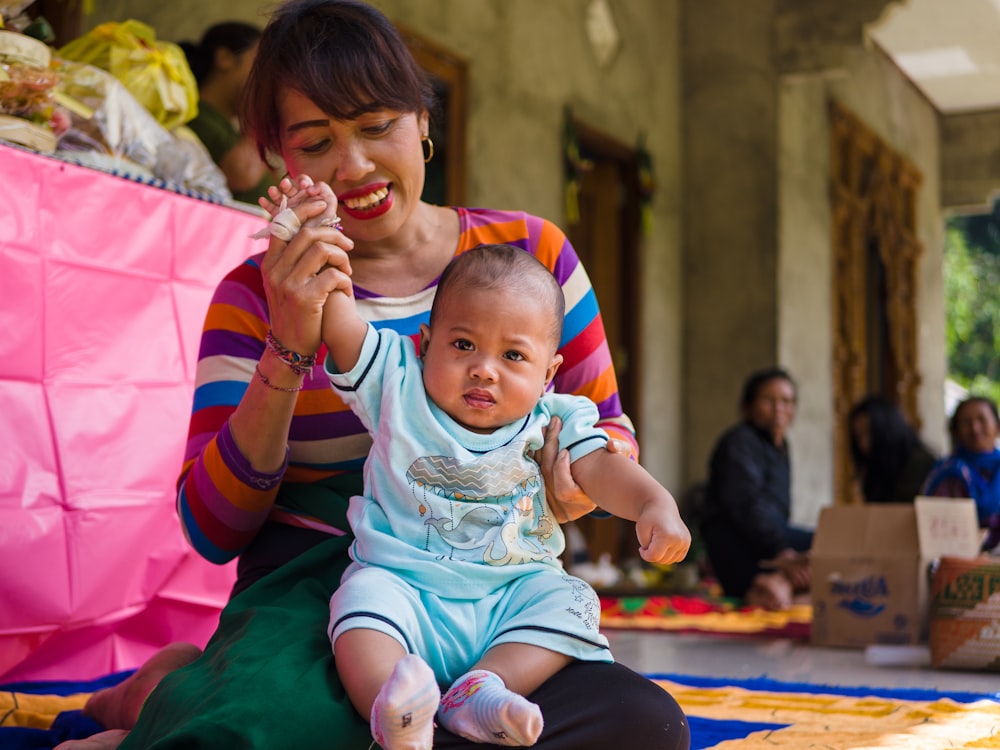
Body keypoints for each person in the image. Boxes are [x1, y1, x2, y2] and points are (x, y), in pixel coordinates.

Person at [54, 2, 691, 749]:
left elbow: (601, 429)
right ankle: (184, 694)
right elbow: (214, 528)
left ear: (423, 120)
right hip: (327, 578)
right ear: (278, 159)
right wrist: (288, 348)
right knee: (274, 728)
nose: (352, 167)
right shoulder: (253, 295)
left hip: (493, 581)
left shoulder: (529, 254)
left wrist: (565, 480)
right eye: (317, 141)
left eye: (377, 125)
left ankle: (199, 701)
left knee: (643, 727)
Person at [303, 236, 689, 748]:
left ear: (549, 373)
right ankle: (395, 714)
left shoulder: (557, 417)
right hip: (404, 589)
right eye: (463, 345)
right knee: (357, 605)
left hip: (512, 597)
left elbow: (599, 467)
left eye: (513, 355)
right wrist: (315, 250)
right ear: (424, 345)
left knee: (571, 599)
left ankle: (482, 690)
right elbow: (344, 325)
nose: (485, 368)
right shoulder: (398, 382)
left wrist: (653, 503)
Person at [699, 367, 812, 611]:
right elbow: (746, 505)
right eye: (769, 400)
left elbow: (778, 511)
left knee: (829, 543)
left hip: (768, 541)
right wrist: (782, 551)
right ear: (747, 406)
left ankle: (779, 585)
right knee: (818, 547)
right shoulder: (739, 441)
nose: (780, 408)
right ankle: (771, 586)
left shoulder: (781, 446)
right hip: (738, 544)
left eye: (787, 401)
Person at [179, 21, 279, 204]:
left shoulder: (225, 125)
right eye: (260, 63)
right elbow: (243, 175)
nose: (265, 77)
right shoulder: (196, 116)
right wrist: (259, 109)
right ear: (225, 58)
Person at [921, 396, 1000, 551]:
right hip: (957, 562)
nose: (975, 428)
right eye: (966, 422)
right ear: (956, 431)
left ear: (997, 427)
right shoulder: (948, 473)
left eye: (981, 419)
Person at [848, 394, 937, 504]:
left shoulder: (920, 464)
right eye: (858, 437)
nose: (863, 445)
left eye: (871, 434)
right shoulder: (875, 469)